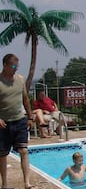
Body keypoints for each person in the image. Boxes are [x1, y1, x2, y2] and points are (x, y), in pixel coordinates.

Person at [0, 54, 35, 189]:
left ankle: (27, 182)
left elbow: (25, 99)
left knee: (24, 151)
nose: (16, 69)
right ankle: (5, 184)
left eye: (17, 66)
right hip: (4, 123)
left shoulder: (20, 79)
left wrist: (30, 116)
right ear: (5, 65)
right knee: (3, 155)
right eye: (14, 66)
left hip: (19, 119)